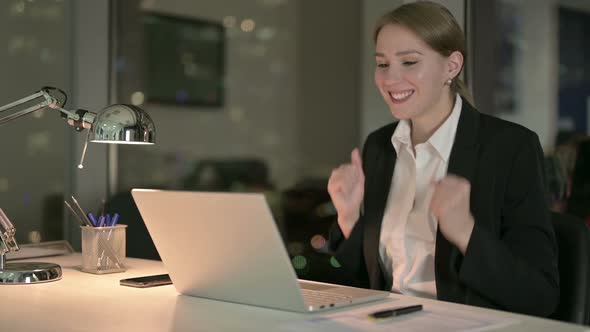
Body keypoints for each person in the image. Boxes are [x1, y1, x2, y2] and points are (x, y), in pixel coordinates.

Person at [327, 1, 558, 317]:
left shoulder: (510, 148)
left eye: (409, 62)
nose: (390, 79)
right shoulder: (380, 147)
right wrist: (349, 218)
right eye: (382, 64)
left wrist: (465, 231)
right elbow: (361, 283)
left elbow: (539, 296)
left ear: (452, 66)